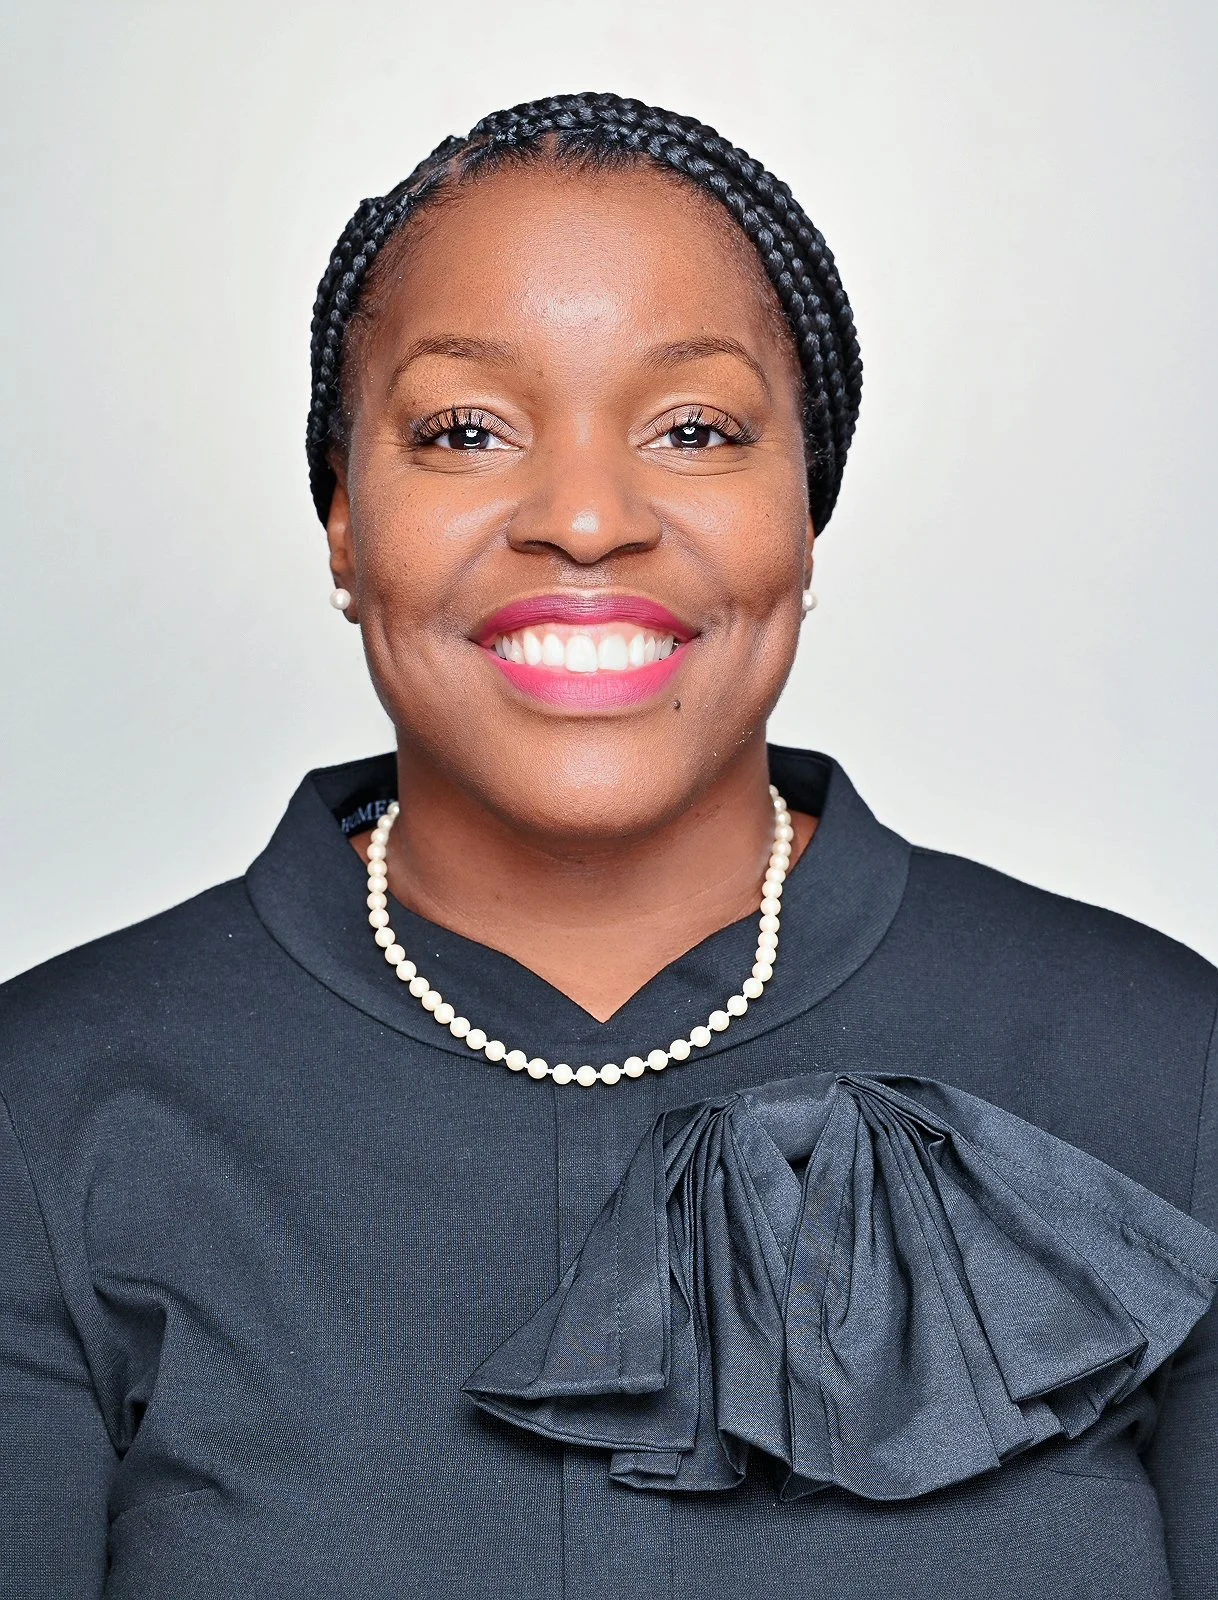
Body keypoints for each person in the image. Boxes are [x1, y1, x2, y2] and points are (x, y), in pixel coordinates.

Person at [1, 92, 1215, 1600]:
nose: (583, 518)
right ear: (343, 521)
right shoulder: (41, 1109)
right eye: (465, 431)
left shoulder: (1167, 1064)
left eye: (695, 430)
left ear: (804, 515)